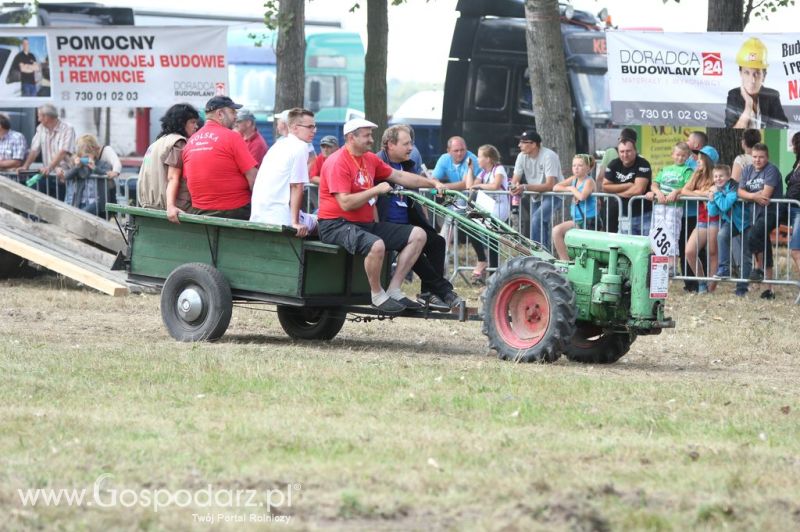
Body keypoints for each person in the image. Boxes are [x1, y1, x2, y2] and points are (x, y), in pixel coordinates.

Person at [316, 118, 445, 314]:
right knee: (376, 245)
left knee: (419, 235)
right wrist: (375, 190)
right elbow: (345, 203)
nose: (371, 139)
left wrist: (433, 183)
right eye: (367, 135)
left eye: (370, 135)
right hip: (335, 224)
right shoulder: (337, 161)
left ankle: (393, 290)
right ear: (351, 137)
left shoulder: (369, 158)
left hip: (362, 223)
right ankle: (377, 295)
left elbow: (400, 176)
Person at [376, 124, 461, 311]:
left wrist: (425, 210)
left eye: (411, 143)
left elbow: (412, 190)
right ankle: (444, 290)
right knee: (416, 242)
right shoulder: (378, 163)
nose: (411, 148)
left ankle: (428, 294)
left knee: (437, 242)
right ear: (390, 144)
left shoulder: (407, 164)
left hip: (405, 222)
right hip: (384, 224)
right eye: (406, 144)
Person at [171, 96, 257, 222]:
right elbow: (253, 178)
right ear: (220, 114)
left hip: (200, 212)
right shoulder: (233, 137)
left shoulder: (190, 142)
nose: (235, 117)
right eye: (233, 112)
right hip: (235, 211)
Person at [250, 107, 317, 237]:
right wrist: (295, 223)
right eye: (309, 127)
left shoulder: (278, 145)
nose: (314, 131)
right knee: (324, 225)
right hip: (279, 218)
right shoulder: (300, 146)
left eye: (314, 127)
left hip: (259, 215)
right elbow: (297, 186)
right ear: (294, 127)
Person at [739, 143, 785, 299]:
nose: (757, 160)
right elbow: (740, 191)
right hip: (754, 213)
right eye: (755, 157)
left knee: (753, 236)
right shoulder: (747, 170)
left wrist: (749, 194)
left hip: (771, 212)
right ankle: (769, 289)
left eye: (761, 157)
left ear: (767, 157)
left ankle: (758, 269)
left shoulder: (771, 170)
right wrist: (753, 196)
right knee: (764, 247)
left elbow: (765, 196)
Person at [137, 103, 199, 211]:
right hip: (171, 208)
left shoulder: (155, 144)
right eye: (192, 122)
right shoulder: (178, 142)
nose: (196, 126)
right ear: (181, 123)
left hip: (148, 205)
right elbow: (172, 177)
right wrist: (171, 206)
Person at [464, 144, 510, 285]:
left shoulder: (498, 169)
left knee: (492, 238)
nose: (477, 159)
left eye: (480, 156)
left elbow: (495, 185)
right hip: (489, 208)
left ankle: (493, 273)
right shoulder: (483, 173)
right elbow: (469, 186)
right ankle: (482, 259)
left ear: (488, 159)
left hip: (499, 209)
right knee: (468, 223)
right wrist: (470, 169)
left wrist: (480, 186)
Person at [508, 130, 561, 248]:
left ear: (533, 144)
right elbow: (515, 179)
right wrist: (514, 187)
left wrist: (525, 187)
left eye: (523, 142)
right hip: (535, 196)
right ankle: (546, 259)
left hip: (553, 194)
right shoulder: (521, 156)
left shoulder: (549, 156)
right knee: (539, 223)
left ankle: (537, 255)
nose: (519, 145)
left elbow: (550, 185)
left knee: (537, 219)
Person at [646, 142, 693, 272]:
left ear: (687, 156)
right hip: (659, 206)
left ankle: (671, 265)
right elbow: (654, 184)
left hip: (675, 207)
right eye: (677, 155)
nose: (680, 158)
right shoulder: (665, 169)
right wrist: (657, 192)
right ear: (672, 155)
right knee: (657, 232)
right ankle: (656, 265)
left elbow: (687, 187)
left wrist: (676, 192)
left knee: (672, 233)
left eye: (683, 156)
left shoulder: (688, 170)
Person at [724, 37, 788, 129]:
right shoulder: (734, 96)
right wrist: (748, 107)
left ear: (764, 76)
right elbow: (730, 130)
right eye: (747, 73)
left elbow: (782, 127)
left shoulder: (772, 96)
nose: (752, 80)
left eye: (757, 73)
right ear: (740, 74)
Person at [681, 145, 720, 294]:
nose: (697, 159)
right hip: (702, 219)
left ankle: (711, 288)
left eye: (700, 157)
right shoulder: (697, 173)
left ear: (707, 160)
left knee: (713, 252)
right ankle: (702, 282)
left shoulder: (717, 174)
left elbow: (715, 193)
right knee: (690, 251)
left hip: (716, 219)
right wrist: (702, 194)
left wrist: (698, 192)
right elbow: (685, 190)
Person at [17, 104, 76, 200]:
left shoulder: (67, 128)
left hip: (63, 177)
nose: (38, 119)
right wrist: (25, 166)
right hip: (47, 175)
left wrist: (49, 167)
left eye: (39, 116)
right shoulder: (40, 128)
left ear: (46, 117)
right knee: (33, 198)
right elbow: (34, 150)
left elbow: (63, 151)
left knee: (60, 207)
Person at [708, 165, 748, 290]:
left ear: (728, 176)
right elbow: (712, 212)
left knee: (745, 255)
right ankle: (724, 268)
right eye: (715, 176)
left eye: (721, 176)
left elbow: (725, 206)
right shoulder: (718, 190)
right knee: (722, 235)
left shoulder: (734, 187)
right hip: (731, 222)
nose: (718, 179)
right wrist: (712, 200)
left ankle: (742, 287)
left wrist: (716, 195)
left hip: (745, 222)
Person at [602, 137, 652, 235]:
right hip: (624, 216)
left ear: (635, 151)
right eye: (622, 151)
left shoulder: (643, 163)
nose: (625, 154)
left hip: (644, 215)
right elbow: (605, 187)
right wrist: (628, 185)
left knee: (646, 248)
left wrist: (615, 192)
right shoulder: (613, 164)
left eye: (628, 151)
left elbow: (638, 190)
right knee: (626, 248)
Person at [552, 154, 597, 260]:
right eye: (574, 165)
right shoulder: (574, 179)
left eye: (580, 165)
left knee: (585, 250)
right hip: (577, 220)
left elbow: (582, 197)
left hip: (589, 221)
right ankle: (565, 262)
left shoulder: (589, 181)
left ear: (587, 167)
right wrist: (571, 188)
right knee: (556, 231)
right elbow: (555, 187)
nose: (576, 168)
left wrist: (572, 189)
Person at [63, 134, 121, 217]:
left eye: (89, 154)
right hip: (81, 201)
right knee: (77, 217)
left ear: (94, 152)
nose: (87, 157)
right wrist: (77, 167)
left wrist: (95, 168)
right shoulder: (79, 166)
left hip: (98, 202)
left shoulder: (103, 164)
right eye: (84, 155)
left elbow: (107, 174)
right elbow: (66, 176)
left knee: (81, 215)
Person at [786, 132, 800, 281]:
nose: (792, 147)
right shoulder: (797, 162)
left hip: (798, 210)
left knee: (796, 250)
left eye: (794, 143)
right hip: (791, 208)